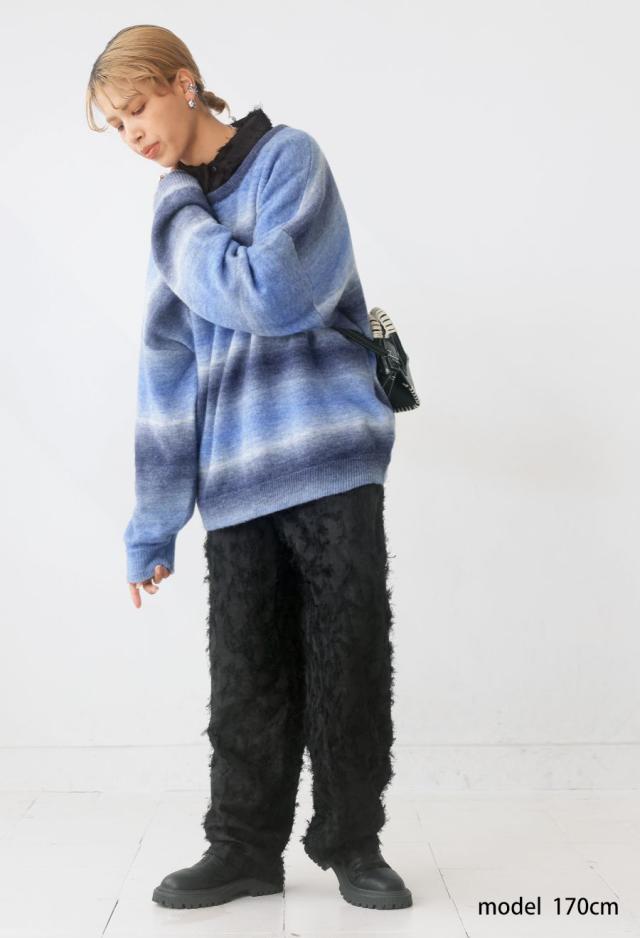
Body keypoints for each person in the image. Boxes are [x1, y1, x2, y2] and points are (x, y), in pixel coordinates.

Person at [87, 23, 412, 911]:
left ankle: (354, 845)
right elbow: (167, 376)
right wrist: (153, 524)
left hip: (330, 457)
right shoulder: (176, 218)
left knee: (347, 658)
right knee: (245, 674)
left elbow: (279, 295)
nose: (133, 134)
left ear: (184, 83)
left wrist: (180, 217)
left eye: (138, 107)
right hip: (235, 477)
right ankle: (241, 849)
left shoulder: (287, 161)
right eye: (115, 125)